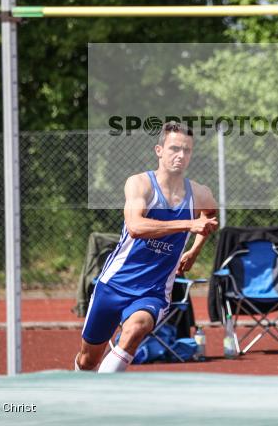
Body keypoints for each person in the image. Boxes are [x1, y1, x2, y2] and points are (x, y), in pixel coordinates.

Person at [75, 121, 218, 372]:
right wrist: (187, 224)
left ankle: (100, 399)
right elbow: (135, 226)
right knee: (88, 360)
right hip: (114, 284)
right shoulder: (140, 184)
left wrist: (194, 250)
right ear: (159, 150)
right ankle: (79, 394)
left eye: (187, 150)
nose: (180, 155)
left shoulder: (199, 194)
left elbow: (210, 218)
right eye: (174, 148)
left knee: (136, 329)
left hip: (154, 291)